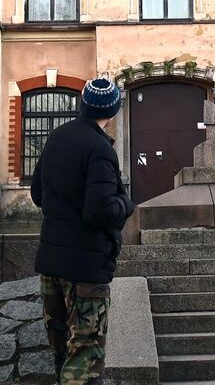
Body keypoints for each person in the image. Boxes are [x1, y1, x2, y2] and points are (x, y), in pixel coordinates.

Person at [30, 76, 134, 384]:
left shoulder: (56, 138)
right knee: (85, 355)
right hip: (86, 269)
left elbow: (38, 193)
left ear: (83, 105)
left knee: (62, 350)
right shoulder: (100, 149)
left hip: (51, 263)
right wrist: (125, 204)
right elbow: (100, 210)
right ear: (113, 110)